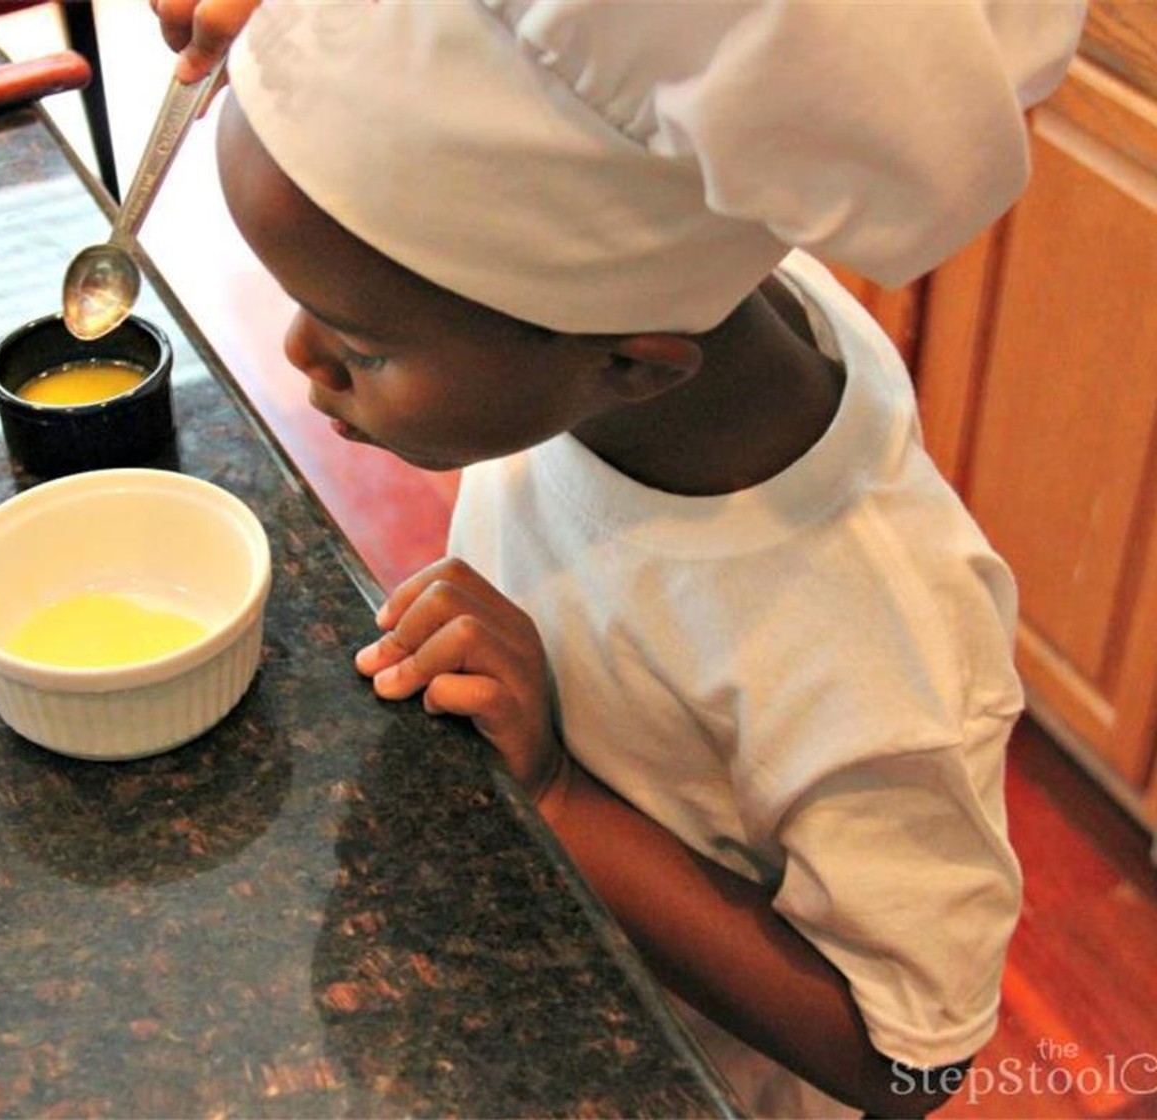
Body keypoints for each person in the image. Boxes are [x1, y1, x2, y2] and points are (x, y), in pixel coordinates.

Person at [155, 2, 1086, 1114]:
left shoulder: (875, 638)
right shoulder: (637, 353)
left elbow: (909, 1057)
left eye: (362, 344)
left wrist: (557, 791)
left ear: (636, 368)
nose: (300, 353)